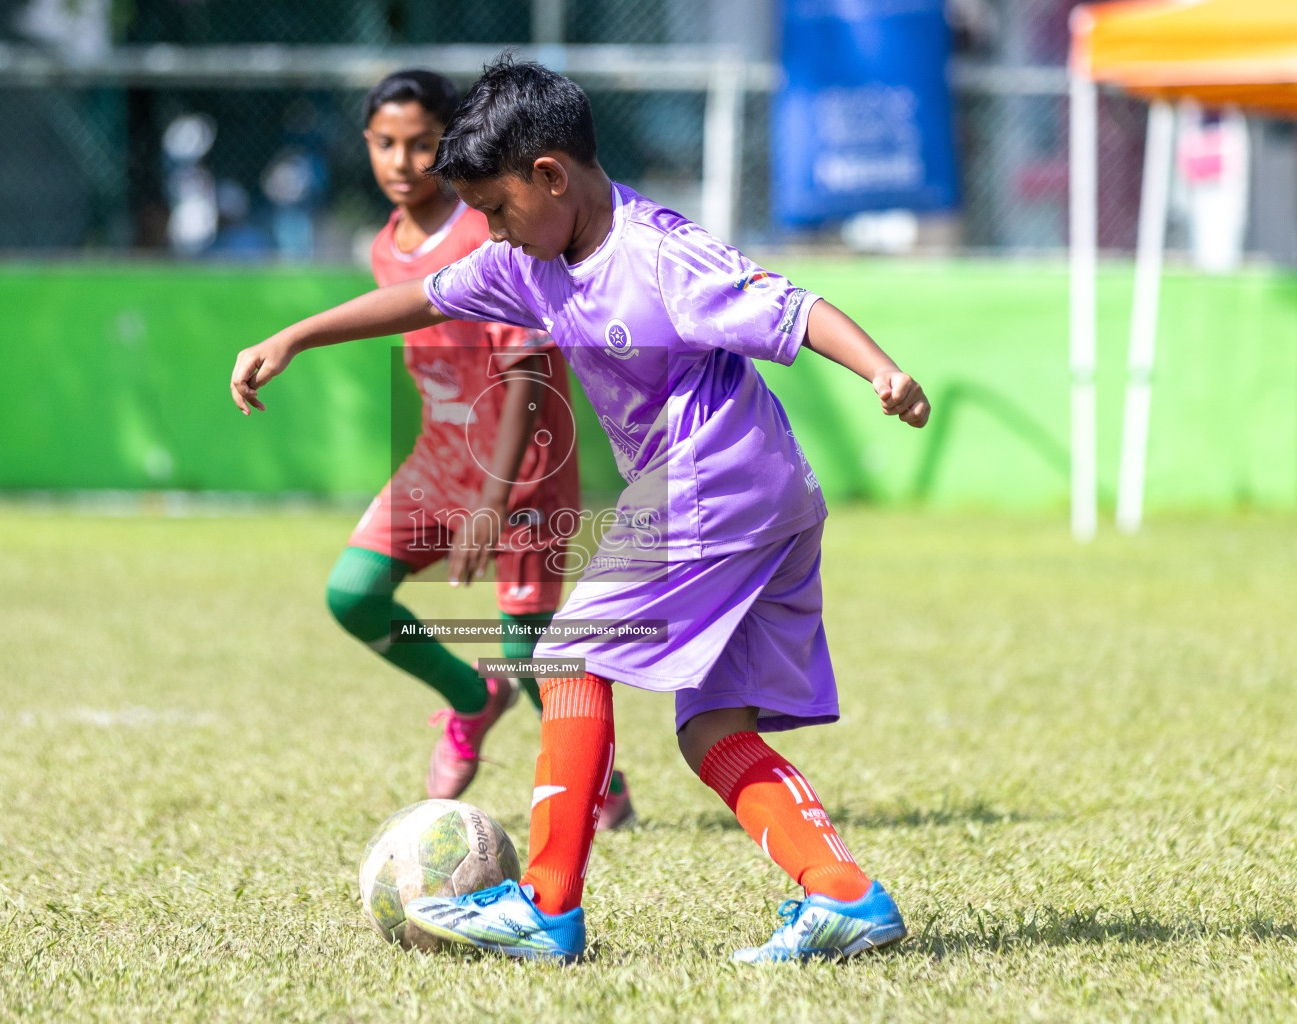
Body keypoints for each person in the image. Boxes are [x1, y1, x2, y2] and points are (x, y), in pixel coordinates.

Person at [228, 56, 930, 963]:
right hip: (765, 499)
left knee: (567, 653)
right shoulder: (531, 259)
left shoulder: (659, 252)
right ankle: (845, 898)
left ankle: (547, 906)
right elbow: (418, 299)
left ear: (550, 175)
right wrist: (293, 336)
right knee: (710, 726)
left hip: (713, 481)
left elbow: (792, 309)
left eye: (495, 209)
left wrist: (882, 370)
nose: (490, 232)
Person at [312, 69, 634, 821]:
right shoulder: (386, 247)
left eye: (422, 145)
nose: (401, 162)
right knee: (352, 594)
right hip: (440, 461)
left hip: (519, 472)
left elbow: (527, 367)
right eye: (385, 145)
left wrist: (493, 499)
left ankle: (604, 787)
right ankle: (468, 696)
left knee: (527, 658)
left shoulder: (495, 224)